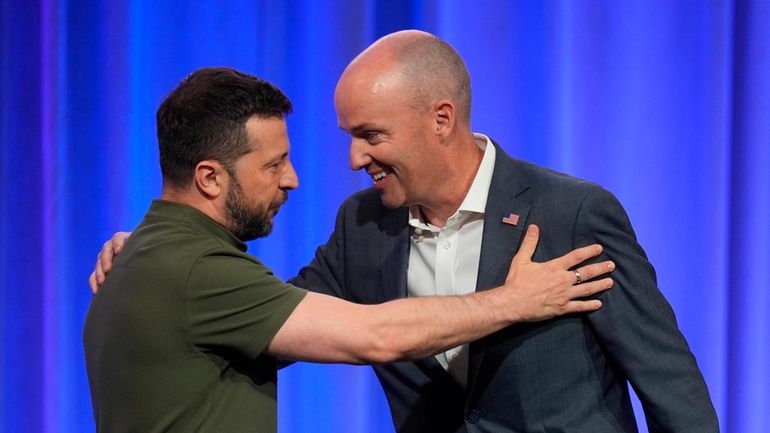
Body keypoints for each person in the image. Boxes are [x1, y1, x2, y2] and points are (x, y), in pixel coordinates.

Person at [91, 30, 719, 433]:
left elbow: (667, 380)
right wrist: (153, 261)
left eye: (370, 135)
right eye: (349, 138)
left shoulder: (570, 213)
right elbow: (272, 325)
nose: (354, 160)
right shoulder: (361, 226)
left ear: (440, 119)